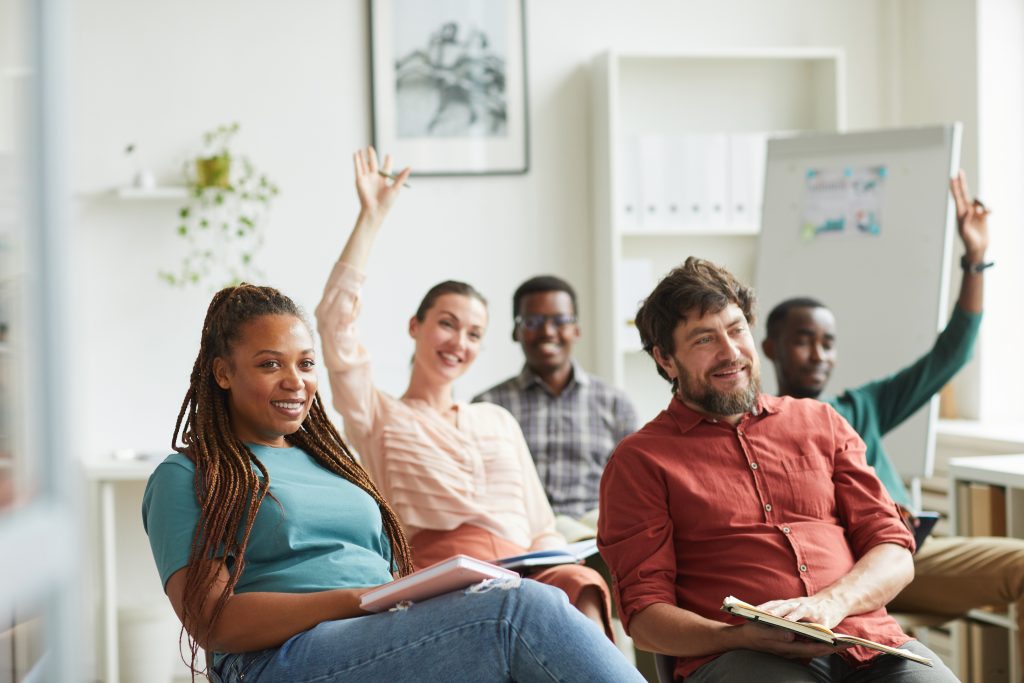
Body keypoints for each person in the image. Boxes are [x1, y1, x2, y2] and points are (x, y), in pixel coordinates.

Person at [140, 281, 643, 682]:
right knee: (517, 612)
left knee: (550, 599)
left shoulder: (332, 465)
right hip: (276, 660)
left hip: (376, 630)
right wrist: (353, 600)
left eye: (305, 363)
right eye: (270, 364)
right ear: (223, 373)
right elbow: (212, 622)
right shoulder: (188, 476)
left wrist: (404, 594)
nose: (296, 381)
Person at [597, 256, 957, 682]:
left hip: (868, 644)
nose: (730, 352)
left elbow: (895, 552)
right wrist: (737, 637)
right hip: (741, 659)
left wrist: (831, 603)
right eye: (703, 340)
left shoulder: (821, 421)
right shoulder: (640, 461)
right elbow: (644, 616)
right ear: (666, 360)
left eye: (736, 330)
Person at [315, 147, 614, 636]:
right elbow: (334, 325)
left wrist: (556, 553)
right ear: (416, 326)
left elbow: (540, 524)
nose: (459, 342)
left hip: (528, 568)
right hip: (444, 579)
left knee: (580, 585)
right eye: (447, 325)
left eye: (474, 334)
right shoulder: (378, 416)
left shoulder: (495, 419)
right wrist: (372, 218)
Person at [763, 171, 1024, 665]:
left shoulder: (864, 406)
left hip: (909, 557)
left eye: (828, 342)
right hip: (837, 577)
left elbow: (950, 355)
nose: (818, 353)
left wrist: (974, 261)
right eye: (803, 340)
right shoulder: (759, 430)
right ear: (771, 348)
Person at [474, 275, 638, 533]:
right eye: (532, 321)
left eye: (560, 321)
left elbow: (633, 491)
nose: (548, 331)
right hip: (518, 540)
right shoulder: (487, 407)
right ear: (516, 332)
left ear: (576, 329)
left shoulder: (615, 404)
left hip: (595, 539)